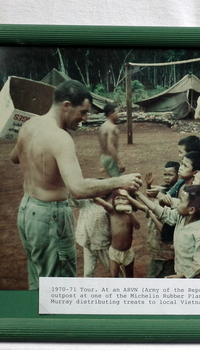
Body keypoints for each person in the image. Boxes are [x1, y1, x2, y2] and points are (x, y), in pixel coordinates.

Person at [10, 80, 142, 290]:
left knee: (38, 280)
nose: (85, 118)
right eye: (82, 112)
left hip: (28, 211)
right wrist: (119, 181)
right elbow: (78, 189)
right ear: (66, 106)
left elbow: (14, 157)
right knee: (57, 290)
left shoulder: (29, 125)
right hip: (50, 217)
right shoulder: (60, 138)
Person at [136, 185, 200, 278]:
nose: (177, 204)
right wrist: (139, 194)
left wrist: (182, 276)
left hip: (192, 278)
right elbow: (161, 212)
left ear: (191, 210)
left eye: (181, 201)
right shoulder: (181, 217)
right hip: (180, 270)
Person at [94, 189, 142, 278]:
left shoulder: (130, 214)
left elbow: (137, 226)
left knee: (130, 276)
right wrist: (92, 196)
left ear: (130, 201)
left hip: (127, 252)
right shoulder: (112, 212)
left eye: (124, 199)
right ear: (113, 200)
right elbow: (103, 203)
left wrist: (131, 215)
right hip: (114, 251)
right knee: (113, 277)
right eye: (117, 199)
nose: (120, 201)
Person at [70, 195, 111, 277]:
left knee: (113, 270)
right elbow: (73, 199)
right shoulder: (85, 201)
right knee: (88, 272)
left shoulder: (108, 205)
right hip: (88, 244)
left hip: (103, 245)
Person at [98, 103, 124, 177]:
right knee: (120, 183)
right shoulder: (112, 127)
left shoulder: (102, 126)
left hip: (104, 157)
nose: (119, 115)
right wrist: (119, 162)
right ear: (110, 114)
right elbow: (110, 146)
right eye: (117, 112)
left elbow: (102, 145)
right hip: (111, 159)